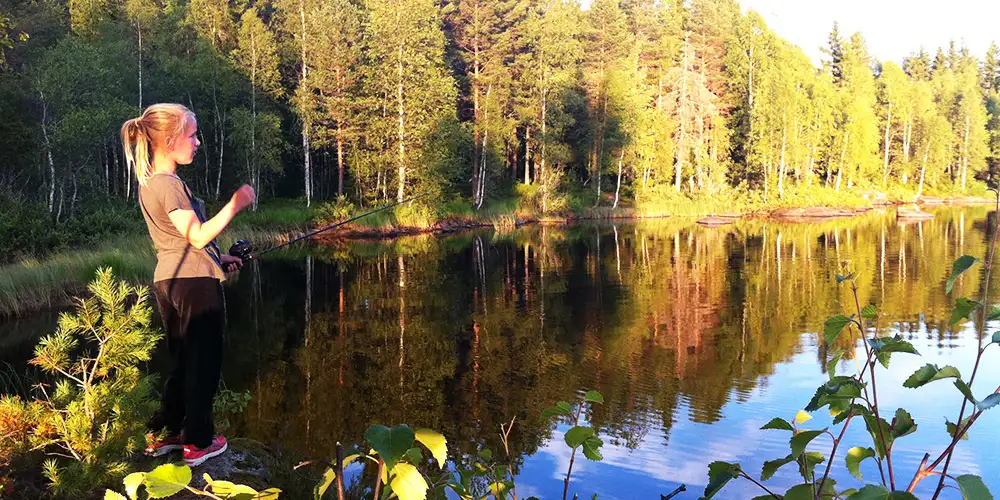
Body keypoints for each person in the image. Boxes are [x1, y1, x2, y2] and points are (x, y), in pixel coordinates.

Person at [120, 103, 255, 467]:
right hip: (194, 282)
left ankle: (169, 431)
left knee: (184, 361)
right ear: (170, 140)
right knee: (205, 361)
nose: (197, 142)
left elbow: (178, 239)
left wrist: (219, 257)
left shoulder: (151, 184)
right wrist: (235, 205)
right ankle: (198, 442)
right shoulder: (168, 184)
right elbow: (195, 236)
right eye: (192, 135)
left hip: (169, 280)